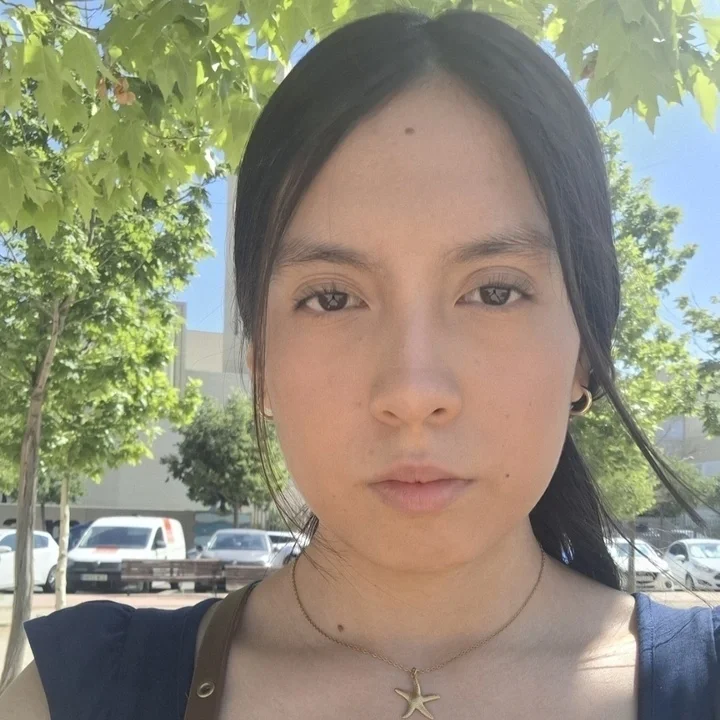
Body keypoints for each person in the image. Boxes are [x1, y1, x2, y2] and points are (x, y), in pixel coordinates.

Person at [1, 9, 718, 720]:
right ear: (261, 364)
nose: (412, 391)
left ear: (585, 355)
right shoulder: (75, 696)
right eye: (333, 298)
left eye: (495, 292)